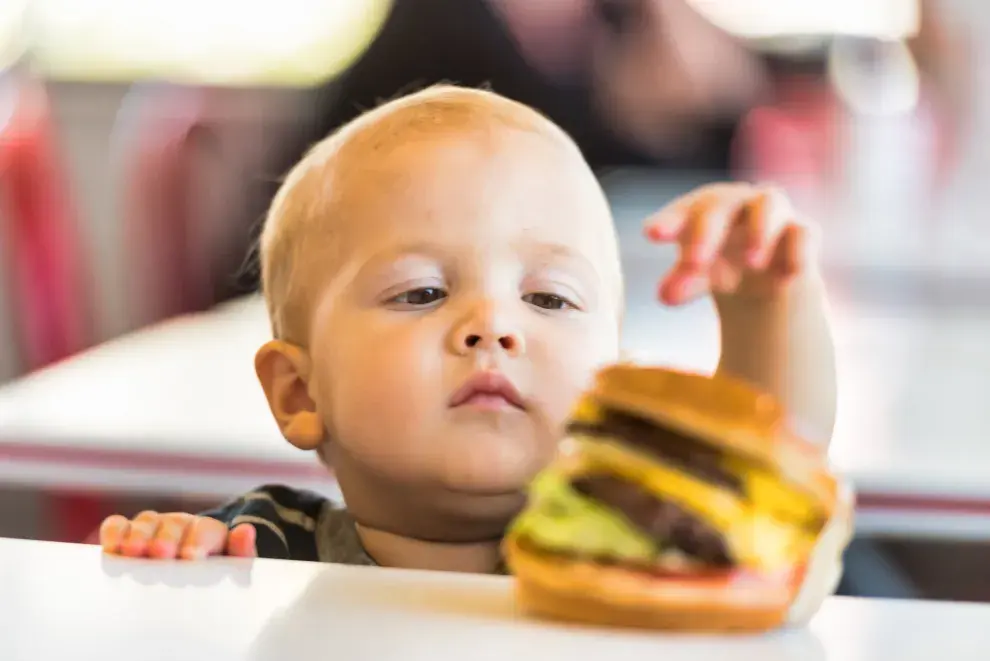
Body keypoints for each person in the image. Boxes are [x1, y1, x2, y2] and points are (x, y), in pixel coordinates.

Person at [99, 85, 837, 572]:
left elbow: (767, 473)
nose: (491, 325)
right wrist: (176, 563)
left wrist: (765, 307)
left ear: (615, 387)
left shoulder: (626, 540)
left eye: (548, 299)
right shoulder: (267, 542)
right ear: (299, 391)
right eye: (421, 292)